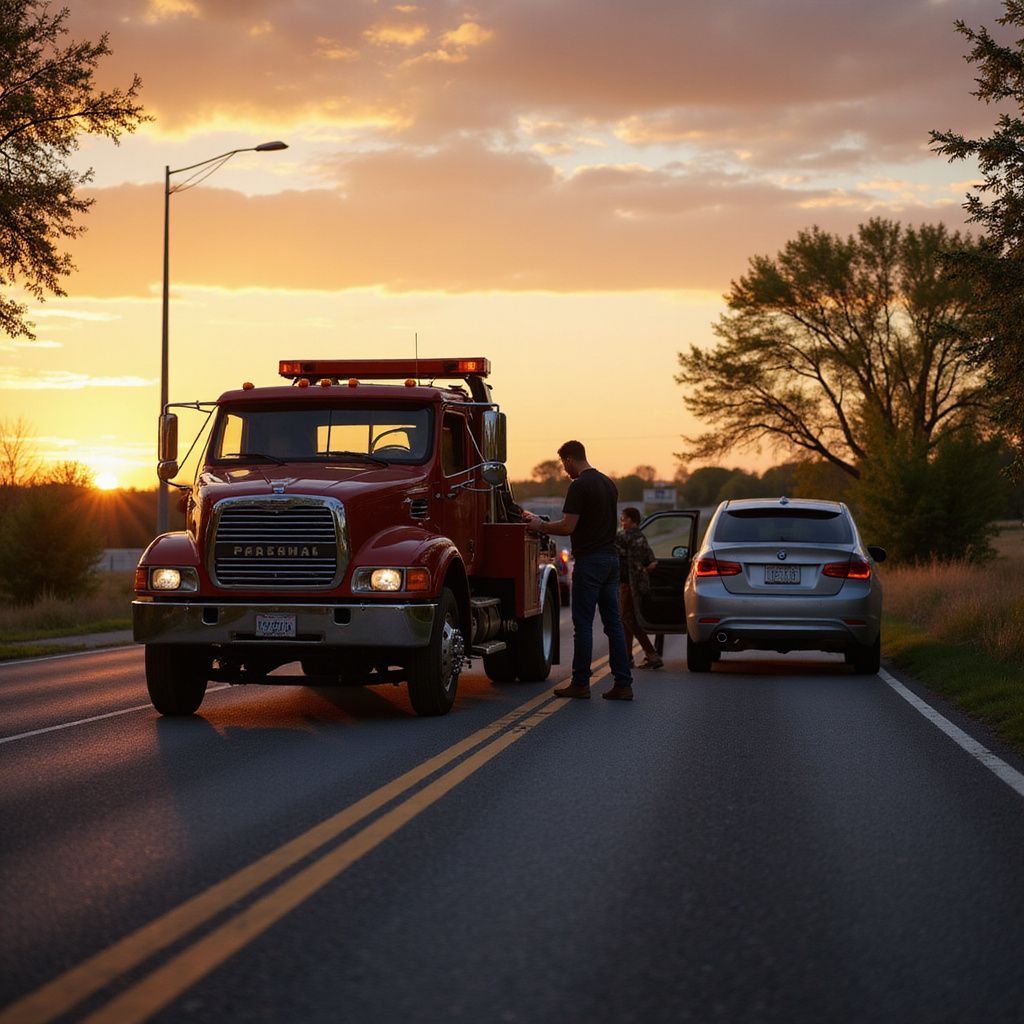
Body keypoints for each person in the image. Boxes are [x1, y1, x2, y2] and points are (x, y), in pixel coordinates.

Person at [523, 440, 633, 701]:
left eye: (564, 464)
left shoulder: (579, 486)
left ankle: (581, 683)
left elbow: (568, 527)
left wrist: (539, 525)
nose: (564, 470)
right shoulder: (608, 483)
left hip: (590, 562)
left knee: (582, 624)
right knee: (613, 624)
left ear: (570, 459)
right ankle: (623, 683)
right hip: (610, 560)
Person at [615, 507, 663, 669]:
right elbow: (653, 561)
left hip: (627, 584)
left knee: (629, 619)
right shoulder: (641, 538)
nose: (621, 522)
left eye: (623, 519)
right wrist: (643, 570)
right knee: (627, 619)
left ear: (630, 520)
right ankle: (628, 657)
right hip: (640, 584)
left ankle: (652, 654)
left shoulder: (621, 537)